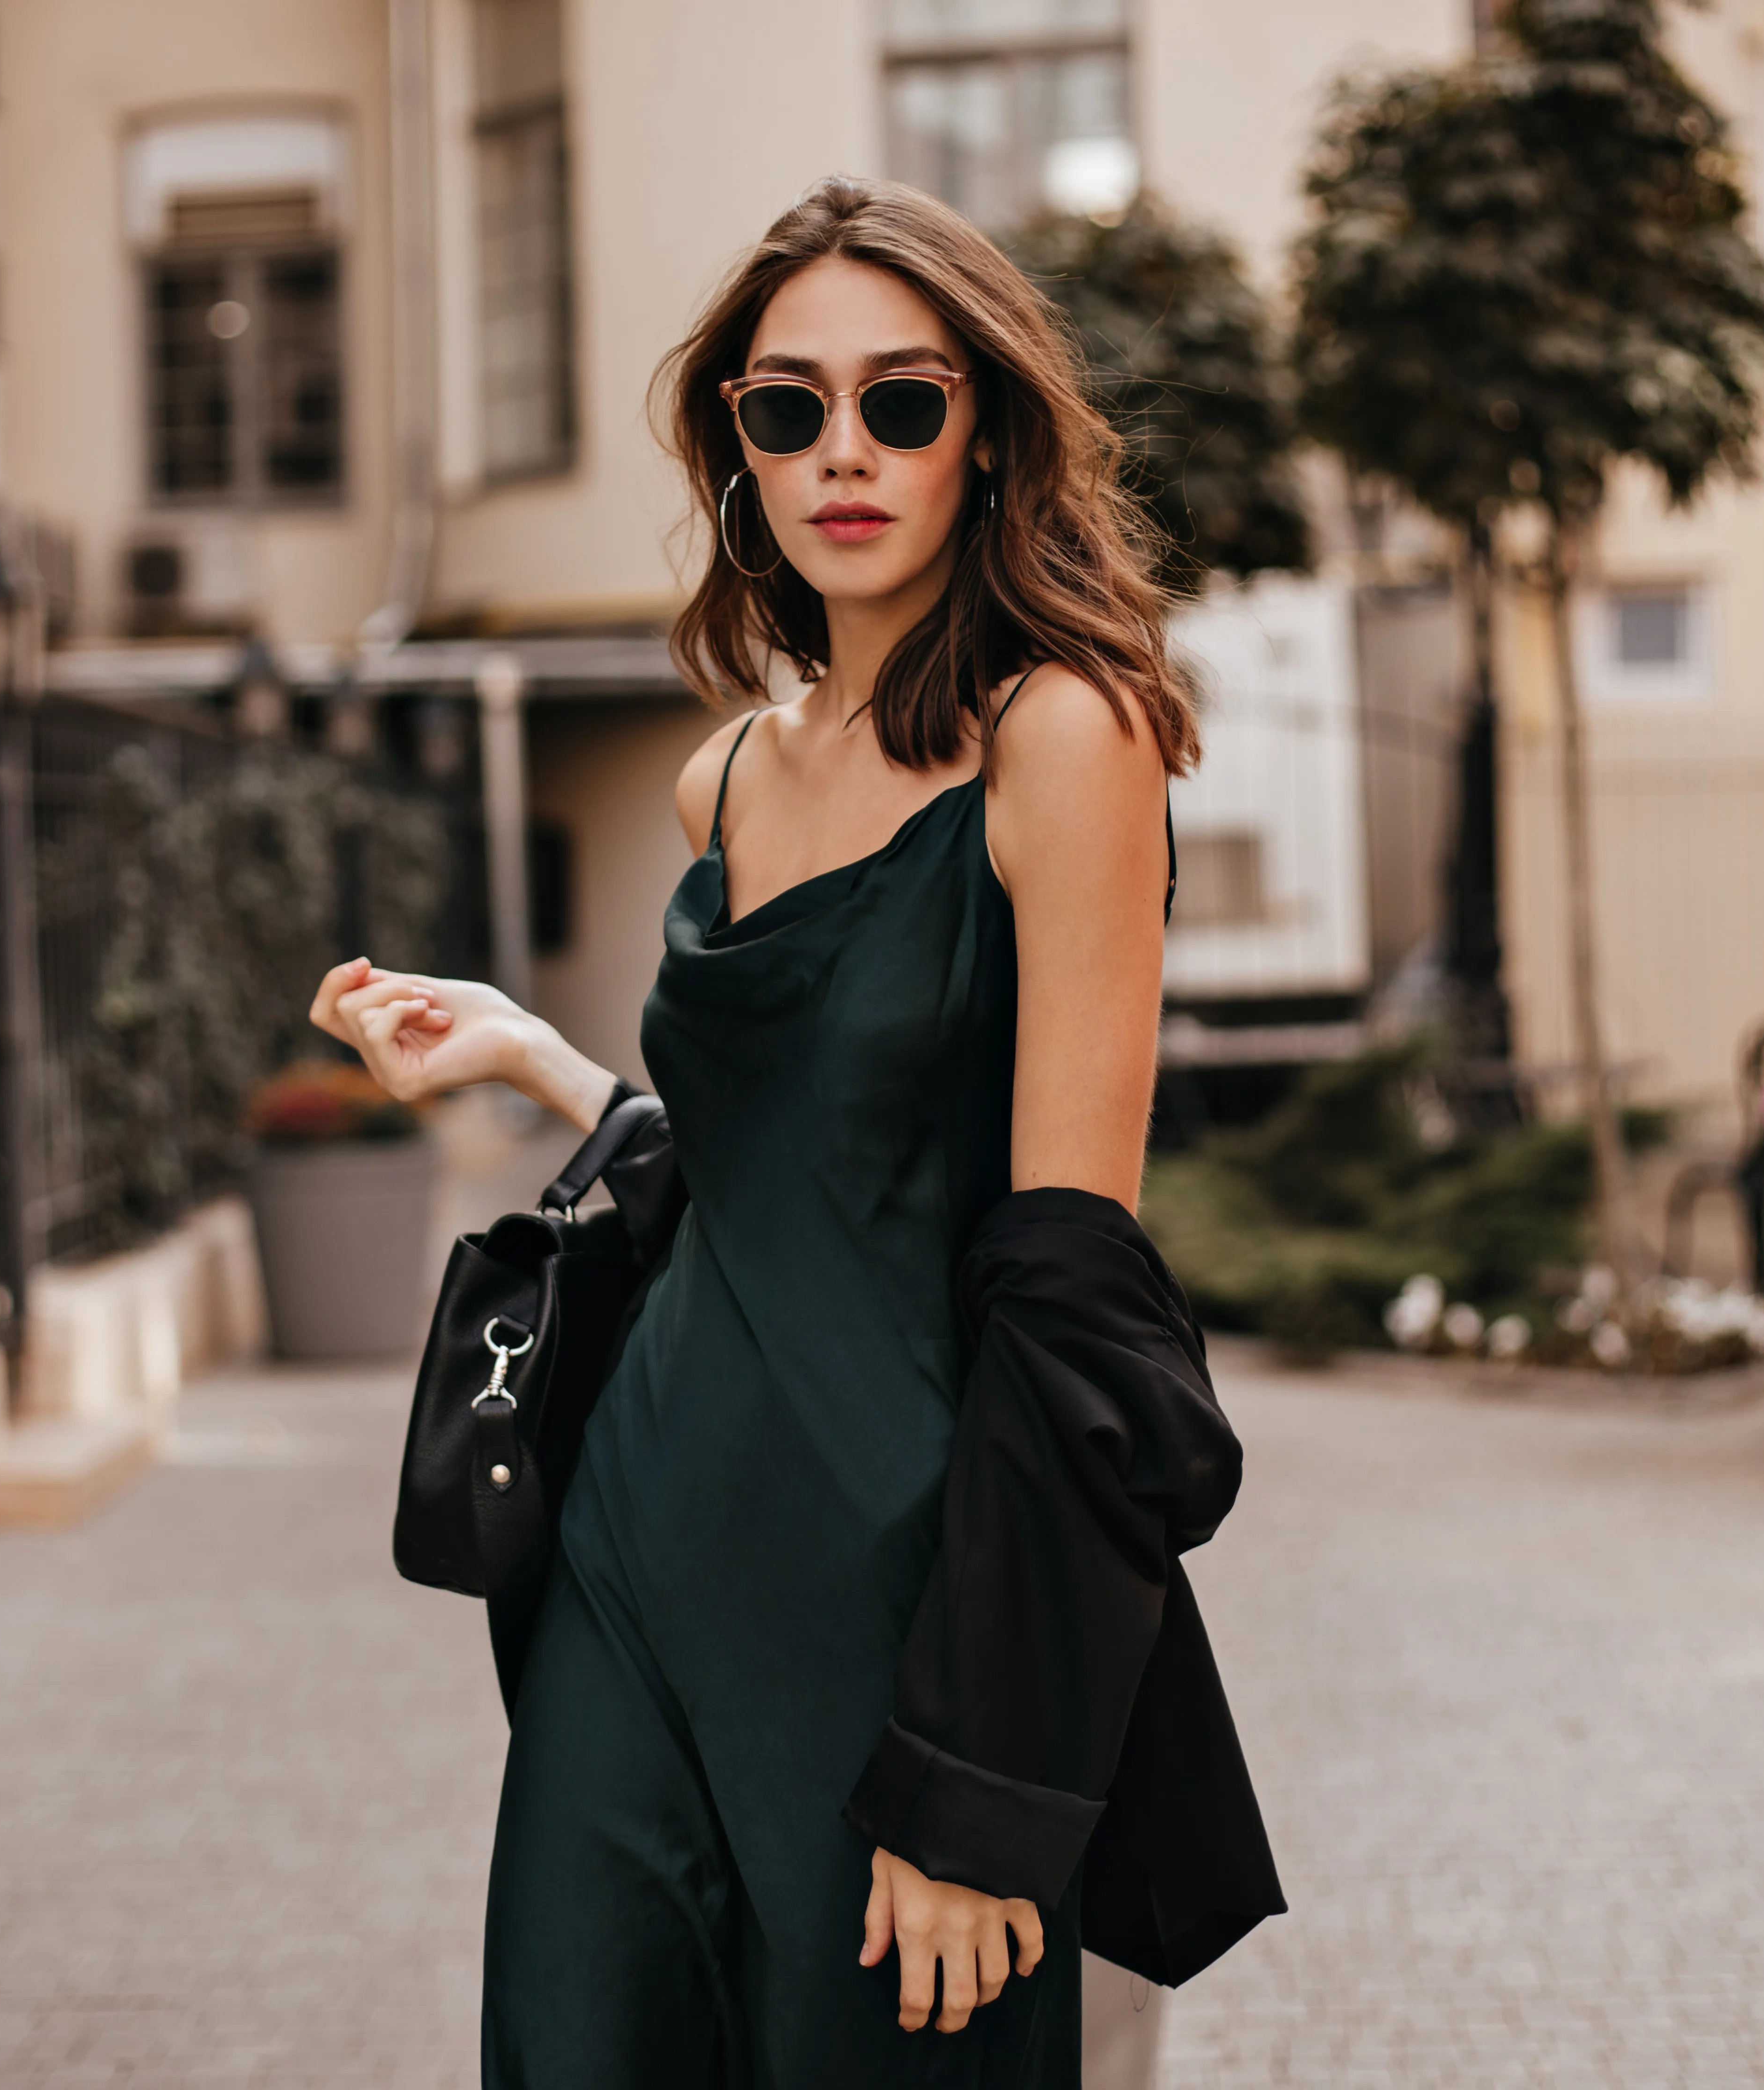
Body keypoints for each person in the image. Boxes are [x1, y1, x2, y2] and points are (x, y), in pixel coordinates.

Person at [312, 175, 1272, 2090]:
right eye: (788, 408)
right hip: (631, 1569)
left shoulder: (1065, 735)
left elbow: (1073, 1284)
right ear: (737, 448)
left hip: (898, 1604)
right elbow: (783, 1174)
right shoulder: (728, 773)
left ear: (984, 432)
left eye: (902, 404)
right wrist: (531, 1056)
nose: (846, 451)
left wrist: (980, 1777)